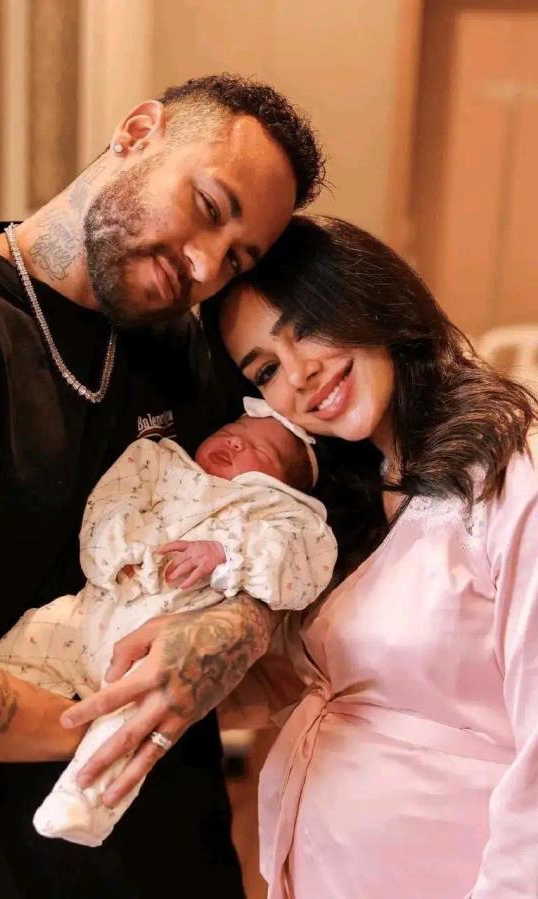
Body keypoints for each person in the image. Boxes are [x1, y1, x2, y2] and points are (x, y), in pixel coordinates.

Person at [0, 75, 324, 898]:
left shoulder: (181, 350)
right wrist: (143, 716)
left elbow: (274, 530)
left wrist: (237, 620)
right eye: (206, 206)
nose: (204, 264)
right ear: (137, 132)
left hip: (168, 858)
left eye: (237, 258)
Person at [188, 215, 537, 898]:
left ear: (372, 297)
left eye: (308, 326)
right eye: (266, 368)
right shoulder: (355, 492)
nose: (300, 374)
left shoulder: (511, 478)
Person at [0, 406, 337, 848]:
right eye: (231, 429)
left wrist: (226, 554)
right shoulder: (159, 461)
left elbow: (302, 571)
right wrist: (120, 554)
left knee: (131, 724)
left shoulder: (281, 515)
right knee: (36, 635)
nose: (235, 441)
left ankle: (84, 803)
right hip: (96, 609)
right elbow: (110, 501)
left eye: (260, 450)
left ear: (282, 486)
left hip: (160, 645)